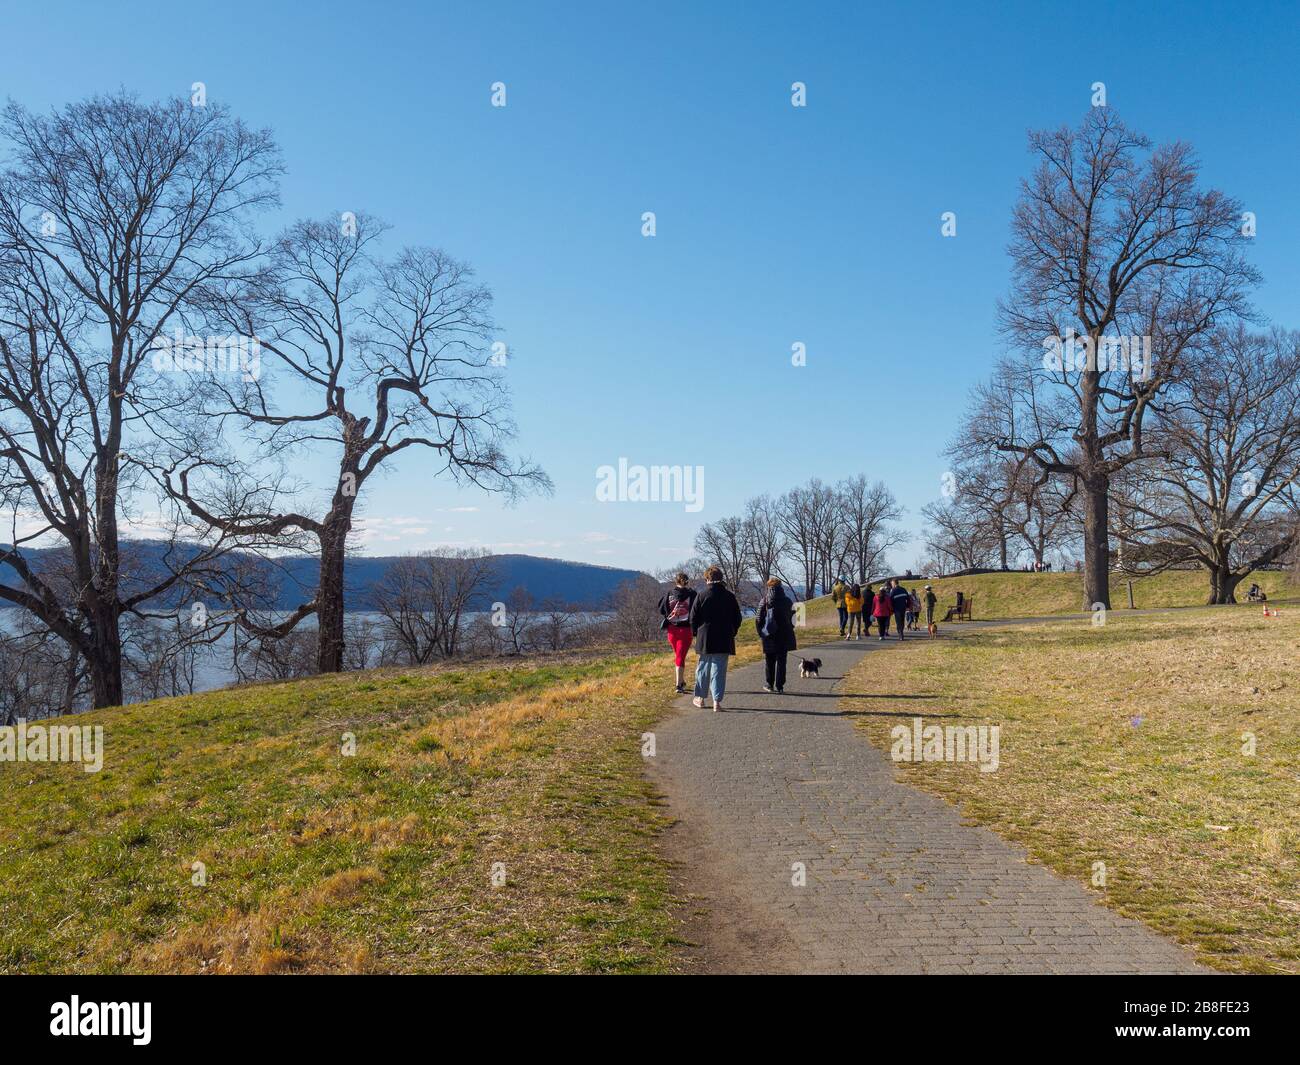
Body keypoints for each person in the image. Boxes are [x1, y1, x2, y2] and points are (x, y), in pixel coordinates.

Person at [689, 565, 743, 711]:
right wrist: (732, 631)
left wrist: (695, 633)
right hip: (724, 637)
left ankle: (700, 698)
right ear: (721, 579)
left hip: (705, 637)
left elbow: (693, 618)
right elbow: (737, 618)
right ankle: (716, 702)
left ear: (707, 579)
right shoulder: (730, 596)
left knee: (703, 669)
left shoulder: (701, 596)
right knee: (719, 670)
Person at [755, 578, 797, 693]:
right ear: (780, 587)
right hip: (784, 635)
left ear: (769, 587)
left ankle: (769, 684)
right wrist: (790, 628)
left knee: (770, 661)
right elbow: (794, 619)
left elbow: (758, 619)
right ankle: (780, 686)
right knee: (782, 661)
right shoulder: (788, 601)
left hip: (769, 635)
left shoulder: (765, 601)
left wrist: (760, 632)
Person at [658, 572, 697, 694]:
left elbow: (661, 609)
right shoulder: (692, 594)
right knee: (680, 656)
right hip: (686, 630)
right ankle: (678, 685)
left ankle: (681, 680)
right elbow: (697, 611)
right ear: (687, 581)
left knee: (679, 656)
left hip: (671, 630)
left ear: (676, 581)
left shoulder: (669, 594)